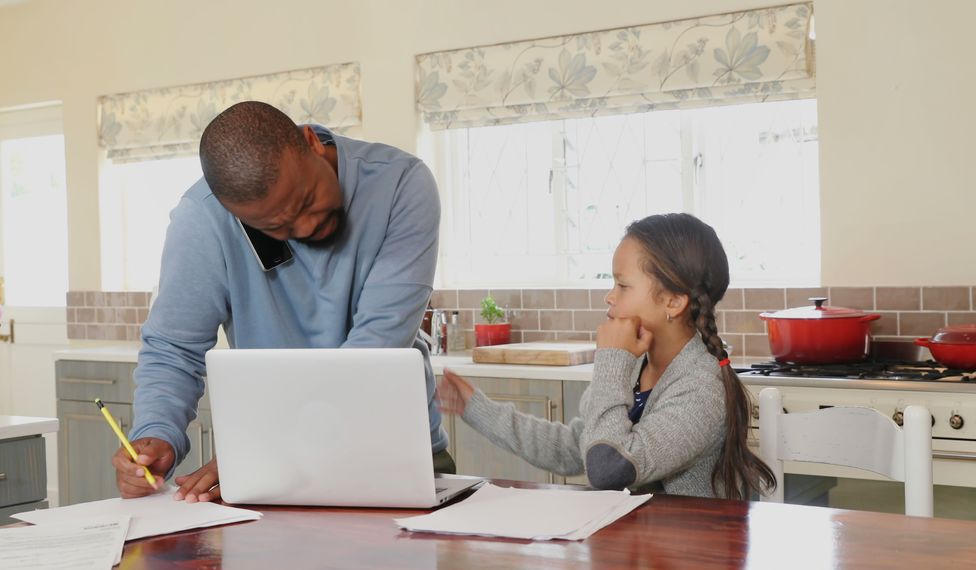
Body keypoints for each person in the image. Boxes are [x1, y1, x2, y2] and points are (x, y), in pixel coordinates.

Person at [112, 101, 451, 502]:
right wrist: (156, 436)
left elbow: (374, 349)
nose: (307, 225)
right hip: (271, 475)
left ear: (310, 142)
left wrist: (268, 451)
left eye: (307, 200)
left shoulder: (401, 185)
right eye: (278, 227)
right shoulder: (202, 220)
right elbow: (174, 350)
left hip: (393, 456)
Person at [439, 213, 776, 498]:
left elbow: (608, 468)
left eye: (623, 285)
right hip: (639, 547)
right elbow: (577, 448)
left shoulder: (701, 388)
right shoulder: (636, 367)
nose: (609, 297)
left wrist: (612, 359)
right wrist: (477, 408)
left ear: (673, 301)